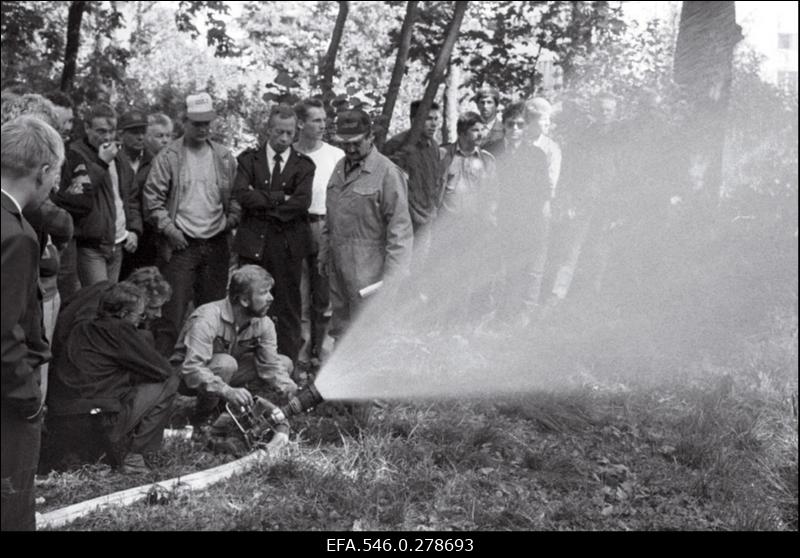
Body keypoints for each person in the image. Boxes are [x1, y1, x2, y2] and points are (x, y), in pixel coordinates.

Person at [2, 115, 65, 531]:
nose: (55, 185)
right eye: (55, 174)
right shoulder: (16, 235)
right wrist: (28, 399)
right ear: (42, 171)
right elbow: (4, 332)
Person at [144, 93, 240, 353]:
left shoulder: (223, 157)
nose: (203, 128)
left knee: (214, 315)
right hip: (180, 246)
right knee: (170, 315)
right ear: (184, 122)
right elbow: (152, 201)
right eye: (197, 123)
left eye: (207, 123)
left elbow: (237, 196)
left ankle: (210, 373)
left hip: (216, 244)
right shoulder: (169, 156)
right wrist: (170, 230)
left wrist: (230, 220)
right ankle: (161, 375)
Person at [48, 282, 178, 474]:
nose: (141, 321)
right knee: (169, 383)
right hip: (97, 421)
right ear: (124, 314)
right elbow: (163, 370)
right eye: (140, 315)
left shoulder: (81, 327)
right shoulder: (120, 330)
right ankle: (135, 455)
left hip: (59, 417)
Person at [232, 104, 315, 368]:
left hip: (287, 246)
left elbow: (301, 203)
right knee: (248, 303)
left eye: (289, 133)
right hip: (253, 244)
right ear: (268, 130)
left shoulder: (303, 165)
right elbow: (242, 195)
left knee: (287, 306)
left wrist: (264, 203)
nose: (284, 138)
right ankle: (246, 366)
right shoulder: (248, 160)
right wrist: (281, 199)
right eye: (279, 132)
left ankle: (286, 367)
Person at [321, 109, 413, 339]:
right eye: (344, 143)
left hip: (371, 276)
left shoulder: (388, 173)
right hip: (339, 270)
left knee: (371, 336)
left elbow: (400, 232)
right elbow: (330, 217)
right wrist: (324, 253)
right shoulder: (339, 168)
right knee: (341, 332)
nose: (350, 149)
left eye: (356, 143)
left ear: (370, 136)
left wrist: (393, 278)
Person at [170, 265, 297, 425]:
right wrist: (226, 390)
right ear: (244, 300)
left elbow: (270, 366)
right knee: (226, 364)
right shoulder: (207, 319)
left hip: (225, 373)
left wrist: (288, 388)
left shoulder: (264, 323)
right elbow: (192, 369)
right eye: (264, 293)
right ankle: (201, 418)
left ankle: (241, 410)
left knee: (284, 364)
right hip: (185, 379)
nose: (271, 298)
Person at [54, 102, 141, 286]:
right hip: (90, 245)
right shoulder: (74, 154)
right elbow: (75, 197)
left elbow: (130, 196)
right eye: (101, 131)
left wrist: (133, 228)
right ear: (87, 128)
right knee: (94, 301)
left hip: (118, 241)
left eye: (112, 131)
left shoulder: (118, 155)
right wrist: (101, 164)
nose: (107, 137)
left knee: (109, 304)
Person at [292, 98, 344, 372]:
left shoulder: (336, 155)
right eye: (316, 120)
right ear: (301, 123)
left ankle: (322, 355)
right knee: (299, 294)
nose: (323, 125)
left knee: (324, 296)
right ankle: (300, 356)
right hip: (298, 225)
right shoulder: (290, 154)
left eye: (325, 120)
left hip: (327, 227)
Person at [382, 100, 444, 236]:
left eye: (436, 119)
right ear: (414, 120)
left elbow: (436, 181)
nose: (433, 124)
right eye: (428, 119)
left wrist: (433, 208)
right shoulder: (397, 145)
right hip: (402, 220)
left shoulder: (434, 147)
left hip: (426, 218)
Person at [118, 110, 156, 278]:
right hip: (118, 232)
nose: (140, 137)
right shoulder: (111, 159)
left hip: (147, 235)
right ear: (121, 134)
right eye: (134, 132)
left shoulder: (154, 161)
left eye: (143, 132)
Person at [439, 111, 496, 219]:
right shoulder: (442, 155)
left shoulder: (487, 160)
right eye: (475, 130)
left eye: (482, 130)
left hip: (476, 225)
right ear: (462, 133)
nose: (480, 135)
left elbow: (492, 194)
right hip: (446, 225)